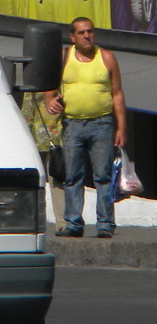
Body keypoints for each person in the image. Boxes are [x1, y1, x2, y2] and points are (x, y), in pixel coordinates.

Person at [44, 17, 126, 238]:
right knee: (73, 176)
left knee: (103, 176)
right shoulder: (64, 57)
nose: (87, 36)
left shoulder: (106, 57)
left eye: (90, 31)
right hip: (72, 124)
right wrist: (49, 100)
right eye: (81, 33)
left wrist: (121, 128)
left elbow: (117, 94)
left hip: (102, 124)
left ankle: (106, 224)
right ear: (73, 37)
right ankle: (73, 223)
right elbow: (48, 85)